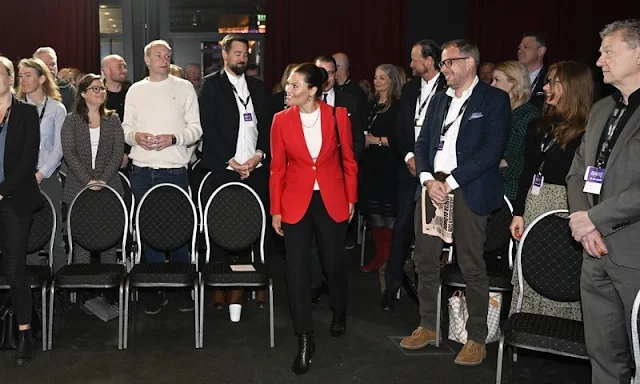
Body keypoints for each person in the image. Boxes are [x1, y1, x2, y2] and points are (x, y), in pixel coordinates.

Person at [400, 40, 511, 367]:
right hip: (432, 187)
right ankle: (428, 324)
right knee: (424, 258)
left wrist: (448, 182)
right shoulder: (438, 100)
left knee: (471, 262)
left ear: (470, 63)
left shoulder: (494, 100)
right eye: (443, 63)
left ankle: (476, 337)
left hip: (467, 188)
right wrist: (426, 180)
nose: (444, 69)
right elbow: (421, 143)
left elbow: (491, 152)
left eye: (449, 63)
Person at [270, 63, 357, 375]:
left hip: (331, 198)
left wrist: (351, 198)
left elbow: (349, 160)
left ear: (312, 90)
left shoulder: (338, 116)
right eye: (288, 85)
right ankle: (304, 337)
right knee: (296, 271)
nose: (288, 90)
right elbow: (278, 168)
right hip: (295, 201)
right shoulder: (280, 120)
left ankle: (339, 309)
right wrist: (276, 209)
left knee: (333, 262)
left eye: (294, 86)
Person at [566, 19, 640, 383]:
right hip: (593, 249)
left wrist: (594, 218)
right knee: (603, 353)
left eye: (609, 51)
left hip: (633, 252)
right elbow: (578, 171)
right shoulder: (599, 110)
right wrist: (583, 221)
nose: (599, 61)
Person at [122, 39, 202, 315]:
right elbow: (125, 128)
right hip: (142, 171)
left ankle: (181, 288)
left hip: (175, 170)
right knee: (147, 230)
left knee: (179, 229)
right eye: (158, 55)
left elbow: (196, 129)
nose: (164, 59)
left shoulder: (184, 88)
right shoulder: (135, 90)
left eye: (167, 55)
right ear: (146, 60)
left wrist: (174, 137)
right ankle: (154, 288)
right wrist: (136, 137)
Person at [509, 61, 593, 322]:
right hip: (536, 205)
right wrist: (519, 212)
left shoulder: (589, 130)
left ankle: (568, 334)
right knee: (533, 269)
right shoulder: (539, 125)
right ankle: (526, 327)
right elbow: (528, 170)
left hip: (569, 209)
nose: (545, 87)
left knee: (563, 274)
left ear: (571, 87)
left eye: (552, 82)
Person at [199, 34, 272, 312]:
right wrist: (231, 162)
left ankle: (254, 283)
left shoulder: (257, 86)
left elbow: (267, 125)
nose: (242, 58)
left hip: (255, 167)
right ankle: (220, 285)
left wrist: (258, 156)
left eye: (246, 54)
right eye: (237, 53)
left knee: (256, 227)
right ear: (225, 55)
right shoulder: (210, 85)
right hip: (224, 167)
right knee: (222, 226)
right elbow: (209, 127)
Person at [382, 39, 447, 310]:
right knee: (402, 229)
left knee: (433, 234)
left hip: (439, 174)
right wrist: (410, 157)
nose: (410, 65)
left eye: (415, 59)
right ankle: (391, 287)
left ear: (429, 61)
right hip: (409, 170)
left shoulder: (449, 88)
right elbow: (400, 128)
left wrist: (428, 166)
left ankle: (430, 297)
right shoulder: (409, 90)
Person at [0, 56, 42, 366]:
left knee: (15, 268)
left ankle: (24, 333)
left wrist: (1, 191)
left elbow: (29, 160)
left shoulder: (27, 113)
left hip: (14, 198)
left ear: (10, 78)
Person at [61, 73, 125, 264]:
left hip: (109, 186)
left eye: (102, 88)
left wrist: (102, 180)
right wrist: (88, 181)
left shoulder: (113, 119)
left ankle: (110, 291)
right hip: (78, 187)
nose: (101, 92)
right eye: (95, 88)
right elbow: (69, 153)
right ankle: (83, 290)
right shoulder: (71, 120)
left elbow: (117, 153)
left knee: (108, 241)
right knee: (82, 241)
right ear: (82, 94)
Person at [16, 58, 67, 272]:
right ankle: (31, 295)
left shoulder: (56, 108)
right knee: (25, 237)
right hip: (19, 181)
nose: (23, 80)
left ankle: (61, 292)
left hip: (47, 179)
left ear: (42, 78)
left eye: (28, 75)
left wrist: (39, 174)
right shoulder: (13, 107)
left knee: (55, 236)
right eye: (20, 75)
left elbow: (58, 148)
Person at [359, 64, 402, 275]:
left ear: (392, 80)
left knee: (389, 213)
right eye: (375, 77)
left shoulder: (398, 106)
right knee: (375, 212)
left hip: (390, 165)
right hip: (371, 164)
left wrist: (375, 140)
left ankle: (389, 260)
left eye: (382, 78)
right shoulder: (372, 104)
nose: (377, 82)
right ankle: (380, 256)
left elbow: (399, 138)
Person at [490, 61, 540, 203]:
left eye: (497, 80)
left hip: (512, 192)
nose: (492, 85)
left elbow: (532, 158)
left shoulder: (530, 115)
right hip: (491, 187)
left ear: (513, 83)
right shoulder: (495, 112)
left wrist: (505, 163)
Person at [101, 54, 130, 170]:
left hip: (131, 157)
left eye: (124, 67)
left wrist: (126, 152)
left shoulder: (132, 93)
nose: (124, 71)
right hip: (103, 159)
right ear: (107, 71)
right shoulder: (96, 96)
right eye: (119, 67)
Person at [33, 47, 77, 112]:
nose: (50, 67)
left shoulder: (69, 90)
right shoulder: (27, 88)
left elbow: (75, 119)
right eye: (45, 65)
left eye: (53, 64)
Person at [517, 32, 548, 110]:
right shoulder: (512, 76)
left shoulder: (550, 78)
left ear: (541, 51)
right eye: (519, 48)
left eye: (526, 47)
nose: (520, 51)